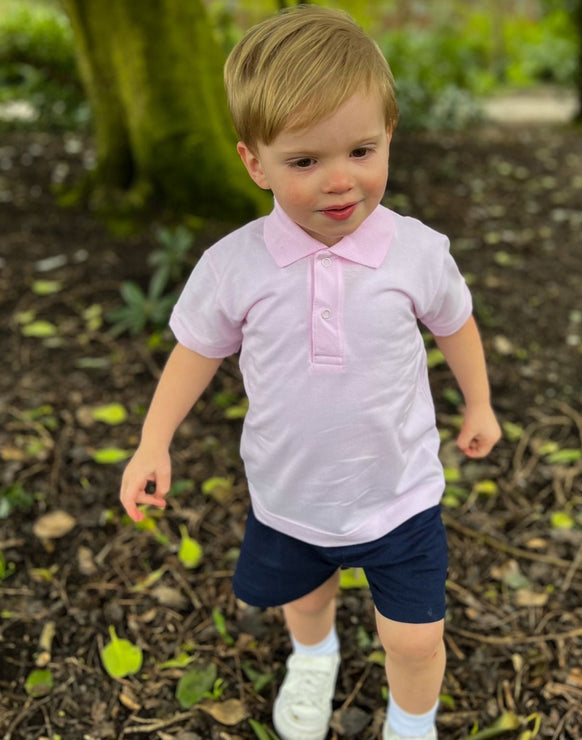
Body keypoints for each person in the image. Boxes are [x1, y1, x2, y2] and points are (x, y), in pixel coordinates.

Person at [119, 5, 502, 740]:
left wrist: (478, 403)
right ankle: (314, 655)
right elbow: (196, 352)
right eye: (305, 161)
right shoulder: (236, 266)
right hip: (291, 494)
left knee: (415, 638)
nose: (339, 182)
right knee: (307, 595)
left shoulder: (414, 252)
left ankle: (412, 723)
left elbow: (455, 323)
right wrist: (153, 442)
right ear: (254, 162)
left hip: (400, 495)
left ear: (390, 135)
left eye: (361, 151)